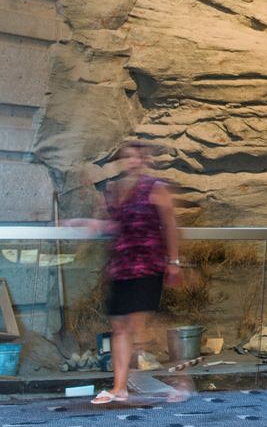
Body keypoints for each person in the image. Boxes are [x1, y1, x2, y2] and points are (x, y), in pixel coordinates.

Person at [74, 139, 186, 407]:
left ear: (145, 159)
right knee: (119, 327)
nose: (132, 161)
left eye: (138, 156)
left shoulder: (155, 188)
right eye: (128, 156)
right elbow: (114, 225)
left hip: (147, 266)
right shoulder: (116, 189)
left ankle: (179, 380)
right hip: (121, 266)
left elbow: (170, 226)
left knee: (137, 327)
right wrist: (86, 223)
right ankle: (120, 386)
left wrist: (174, 262)